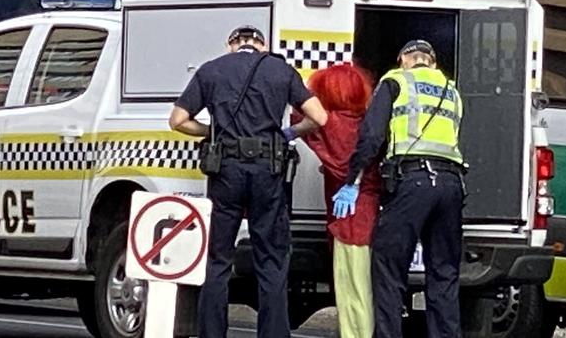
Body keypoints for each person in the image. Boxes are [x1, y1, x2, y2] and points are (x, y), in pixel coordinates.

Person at [169, 25, 327, 338]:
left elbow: (177, 120)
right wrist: (290, 133)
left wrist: (211, 133)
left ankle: (212, 333)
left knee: (218, 259)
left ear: (231, 45)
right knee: (271, 258)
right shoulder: (280, 70)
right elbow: (319, 117)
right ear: (261, 45)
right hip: (267, 171)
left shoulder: (211, 70)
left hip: (225, 170)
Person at [332, 39, 466, 338]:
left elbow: (371, 135)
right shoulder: (452, 90)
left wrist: (352, 180)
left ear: (403, 59)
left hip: (413, 181)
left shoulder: (396, 81)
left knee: (389, 268)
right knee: (444, 273)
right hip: (451, 184)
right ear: (432, 61)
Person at [289, 64, 381, 338]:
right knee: (367, 286)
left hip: (347, 219)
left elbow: (298, 115)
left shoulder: (330, 124)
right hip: (371, 213)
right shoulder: (368, 122)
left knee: (350, 287)